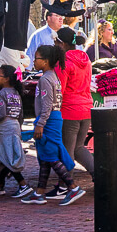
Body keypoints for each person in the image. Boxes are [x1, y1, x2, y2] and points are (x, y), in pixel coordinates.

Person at [21, 44, 85, 205]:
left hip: (49, 120)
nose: (34, 61)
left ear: (46, 61)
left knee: (50, 156)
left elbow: (47, 104)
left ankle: (73, 187)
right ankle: (39, 192)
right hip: (53, 118)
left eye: (36, 58)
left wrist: (40, 124)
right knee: (44, 157)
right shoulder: (53, 76)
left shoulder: (45, 79)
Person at [0, 64, 32, 198]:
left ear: (6, 79)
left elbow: (0, 114)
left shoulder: (0, 94)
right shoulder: (16, 93)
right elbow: (21, 115)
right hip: (15, 126)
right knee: (4, 156)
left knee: (7, 157)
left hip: (5, 128)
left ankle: (23, 185)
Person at [56, 27, 94, 193]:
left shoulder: (63, 62)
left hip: (69, 110)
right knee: (78, 147)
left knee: (67, 150)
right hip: (86, 108)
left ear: (61, 43)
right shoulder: (85, 59)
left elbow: (59, 90)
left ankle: (66, 185)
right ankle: (100, 176)